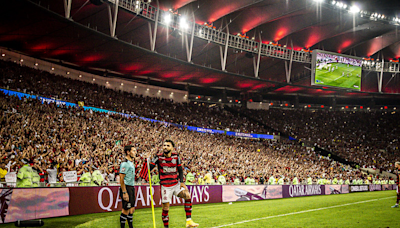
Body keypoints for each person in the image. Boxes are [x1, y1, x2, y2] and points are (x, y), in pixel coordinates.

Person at [148, 140, 199, 228]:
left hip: (175, 184)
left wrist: (182, 182)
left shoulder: (176, 156)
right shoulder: (158, 157)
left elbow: (180, 169)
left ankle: (189, 221)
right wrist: (149, 161)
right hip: (165, 186)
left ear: (172, 148)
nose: (165, 147)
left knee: (187, 195)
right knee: (166, 209)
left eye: (168, 145)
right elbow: (149, 168)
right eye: (164, 145)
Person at [119, 145, 137, 228]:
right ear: (128, 152)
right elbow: (121, 178)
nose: (135, 152)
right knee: (125, 210)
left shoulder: (131, 163)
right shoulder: (125, 163)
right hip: (126, 187)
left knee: (132, 210)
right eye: (133, 151)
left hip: (131, 187)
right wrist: (124, 192)